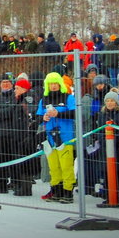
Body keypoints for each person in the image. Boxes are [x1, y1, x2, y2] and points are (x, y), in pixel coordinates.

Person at [37, 72, 77, 203]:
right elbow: (37, 116)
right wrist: (43, 117)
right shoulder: (44, 99)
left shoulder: (68, 97)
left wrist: (58, 113)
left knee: (66, 166)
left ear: (60, 84)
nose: (53, 86)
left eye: (55, 83)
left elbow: (75, 113)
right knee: (53, 167)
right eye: (50, 84)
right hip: (50, 139)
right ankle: (56, 190)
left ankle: (68, 191)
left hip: (65, 137)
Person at [95, 91, 119, 205]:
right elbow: (99, 131)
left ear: (117, 102)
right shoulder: (102, 115)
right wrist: (104, 140)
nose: (109, 103)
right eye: (107, 101)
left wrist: (113, 140)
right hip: (105, 149)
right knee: (107, 173)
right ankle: (109, 196)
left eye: (112, 101)